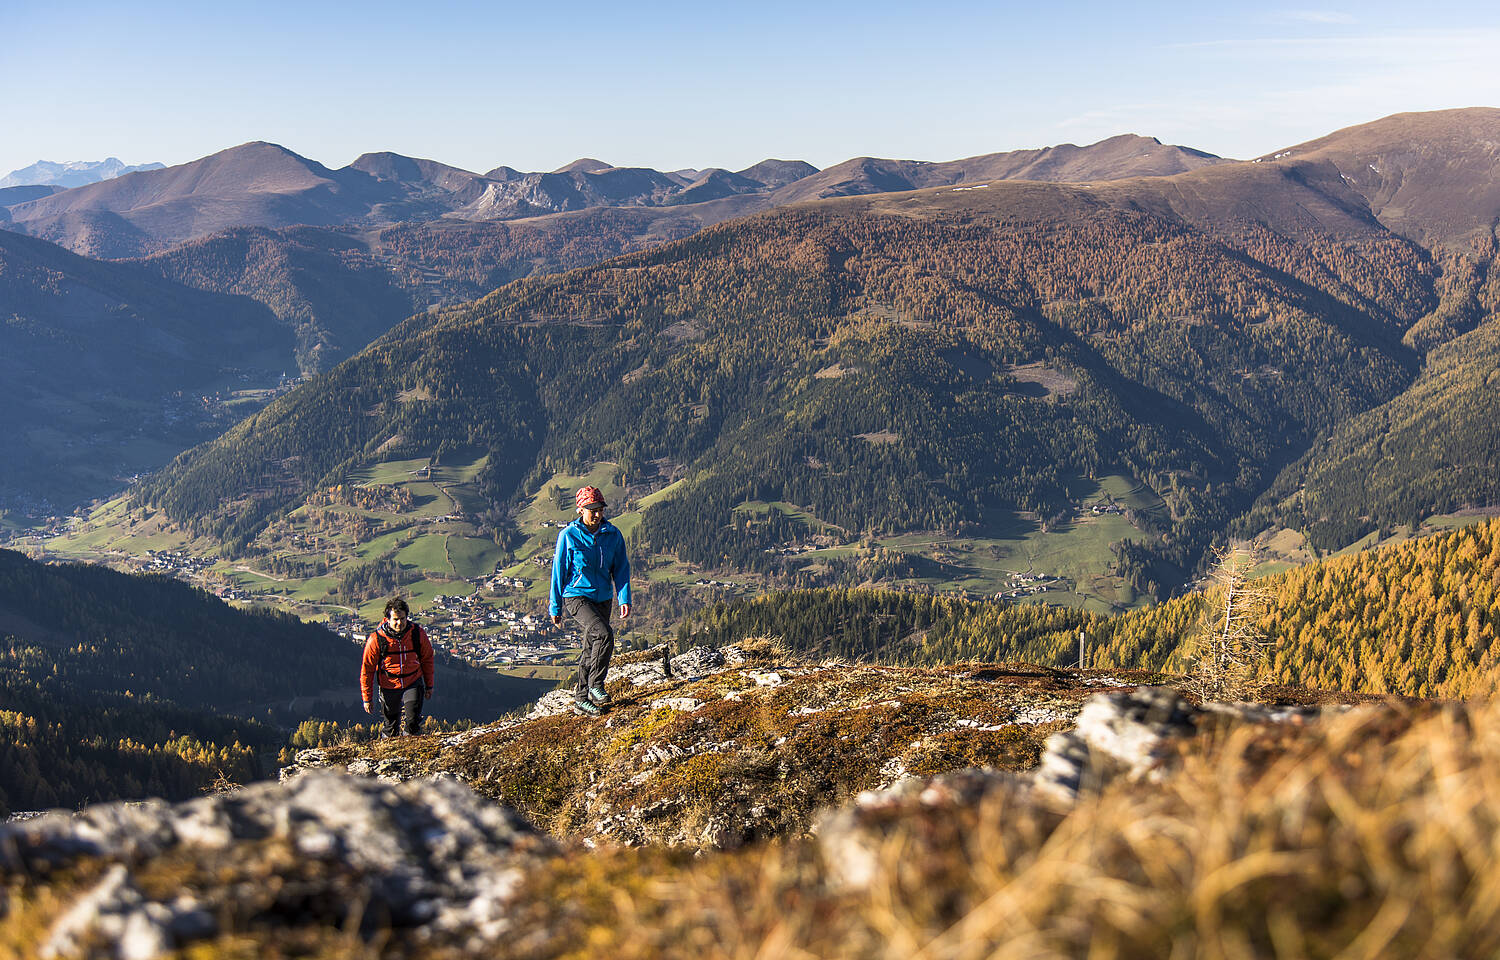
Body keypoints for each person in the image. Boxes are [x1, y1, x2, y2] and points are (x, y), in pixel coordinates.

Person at [550, 485, 632, 716]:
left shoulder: (613, 535)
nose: (596, 514)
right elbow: (559, 572)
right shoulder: (568, 535)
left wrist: (623, 597)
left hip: (603, 598)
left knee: (591, 647)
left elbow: (621, 568)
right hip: (577, 597)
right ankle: (596, 685)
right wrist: (555, 606)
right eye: (591, 509)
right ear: (580, 510)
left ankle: (581, 698)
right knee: (604, 635)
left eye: (600, 509)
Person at [360, 597, 435, 737]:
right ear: (387, 619)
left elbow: (427, 659)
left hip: (413, 681)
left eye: (402, 618)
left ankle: (411, 750)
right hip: (389, 685)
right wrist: (367, 698)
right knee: (391, 725)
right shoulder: (377, 639)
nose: (399, 622)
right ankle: (388, 753)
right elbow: (367, 670)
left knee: (413, 721)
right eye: (395, 619)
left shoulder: (417, 634)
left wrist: (429, 686)